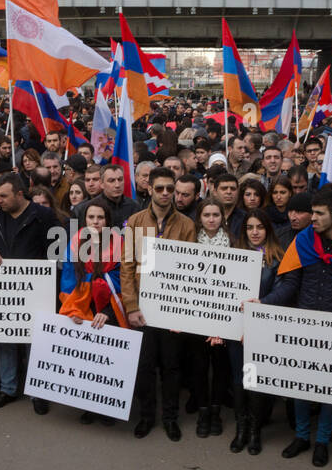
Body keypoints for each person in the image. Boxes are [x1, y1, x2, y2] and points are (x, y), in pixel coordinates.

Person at [260, 187, 332, 465]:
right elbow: (290, 285)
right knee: (300, 383)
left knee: (329, 387)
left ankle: (322, 441)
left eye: (319, 214)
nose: (313, 219)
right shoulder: (303, 241)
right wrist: (264, 303)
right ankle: (301, 436)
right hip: (304, 319)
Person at [121, 165, 196, 440]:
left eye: (170, 189)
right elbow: (126, 266)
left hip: (171, 307)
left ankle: (170, 418)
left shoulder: (187, 225)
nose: (166, 193)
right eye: (160, 188)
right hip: (142, 307)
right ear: (149, 189)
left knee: (172, 365)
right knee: (145, 366)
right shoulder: (135, 221)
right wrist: (131, 306)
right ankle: (147, 416)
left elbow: (189, 271)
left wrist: (182, 313)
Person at [0, 174, 53, 413]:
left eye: (3, 196)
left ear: (20, 194)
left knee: (36, 340)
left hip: (36, 289)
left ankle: (37, 391)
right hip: (3, 290)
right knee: (6, 338)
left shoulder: (43, 216)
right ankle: (8, 388)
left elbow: (57, 251)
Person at [58, 199, 127, 426]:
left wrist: (107, 310)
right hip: (83, 306)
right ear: (84, 219)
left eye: (100, 218)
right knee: (88, 362)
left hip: (111, 308)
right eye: (91, 217)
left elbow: (122, 279)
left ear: (108, 220)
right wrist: (74, 309)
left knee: (109, 362)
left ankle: (110, 408)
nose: (95, 222)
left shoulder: (120, 243)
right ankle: (90, 406)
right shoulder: (75, 242)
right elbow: (68, 278)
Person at [230, 211, 285, 453]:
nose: (254, 232)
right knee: (238, 379)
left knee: (255, 379)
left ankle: (254, 430)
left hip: (263, 328)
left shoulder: (277, 259)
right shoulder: (233, 257)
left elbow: (281, 293)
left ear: (268, 230)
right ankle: (240, 428)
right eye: (250, 227)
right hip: (235, 328)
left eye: (260, 227)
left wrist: (260, 307)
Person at [188, 200, 234, 437]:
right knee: (199, 365)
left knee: (220, 366)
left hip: (223, 316)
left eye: (216, 214)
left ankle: (215, 411)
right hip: (196, 314)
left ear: (222, 217)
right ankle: (203, 411)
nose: (211, 219)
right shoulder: (190, 240)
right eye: (206, 214)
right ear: (200, 217)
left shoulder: (233, 242)